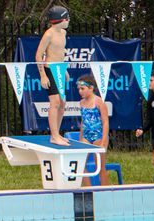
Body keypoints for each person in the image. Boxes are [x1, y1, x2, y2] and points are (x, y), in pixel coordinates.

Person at [36, 5, 71, 146]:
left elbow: (60, 54)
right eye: (67, 18)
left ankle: (56, 134)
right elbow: (38, 55)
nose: (69, 21)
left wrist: (65, 71)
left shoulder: (63, 33)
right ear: (61, 19)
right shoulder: (48, 34)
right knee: (55, 103)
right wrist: (43, 75)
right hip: (50, 70)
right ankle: (54, 136)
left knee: (63, 103)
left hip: (60, 70)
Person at [74, 74, 109, 186]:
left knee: (100, 167)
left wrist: (103, 141)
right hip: (86, 136)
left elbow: (105, 122)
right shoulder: (81, 103)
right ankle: (89, 190)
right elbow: (83, 122)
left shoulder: (99, 102)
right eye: (79, 89)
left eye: (82, 89)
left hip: (98, 136)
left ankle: (105, 191)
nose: (80, 91)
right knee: (81, 165)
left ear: (91, 88)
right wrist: (80, 139)